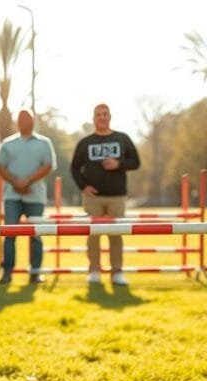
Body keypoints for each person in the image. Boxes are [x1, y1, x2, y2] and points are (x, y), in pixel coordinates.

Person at [70, 103, 140, 286]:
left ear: (110, 116)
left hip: (117, 196)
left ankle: (117, 272)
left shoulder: (122, 138)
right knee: (93, 234)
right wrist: (83, 186)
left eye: (105, 114)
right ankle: (94, 271)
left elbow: (136, 162)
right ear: (93, 119)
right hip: (93, 198)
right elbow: (75, 168)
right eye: (98, 114)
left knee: (116, 234)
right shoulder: (85, 143)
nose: (102, 117)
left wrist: (119, 164)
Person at [0, 109, 57, 284]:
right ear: (17, 122)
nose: (23, 121)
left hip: (35, 197)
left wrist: (28, 181)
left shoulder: (45, 143)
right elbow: (0, 166)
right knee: (9, 234)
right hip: (12, 197)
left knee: (36, 235)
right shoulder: (7, 144)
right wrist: (16, 182)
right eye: (20, 118)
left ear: (33, 121)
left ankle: (35, 272)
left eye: (27, 118)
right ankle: (7, 272)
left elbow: (48, 165)